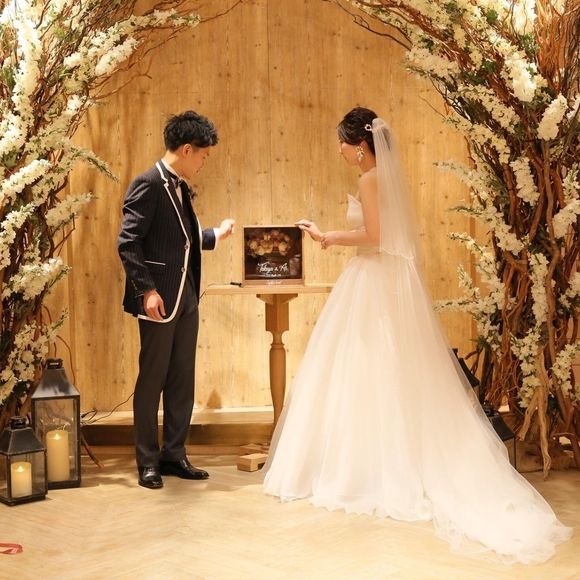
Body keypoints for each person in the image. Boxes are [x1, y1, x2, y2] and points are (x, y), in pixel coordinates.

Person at [263, 107, 572, 563]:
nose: (339, 150)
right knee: (386, 371)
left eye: (342, 142)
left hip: (373, 278)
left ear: (360, 145)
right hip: (383, 278)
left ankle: (366, 470)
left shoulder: (371, 179)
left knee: (366, 369)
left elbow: (376, 235)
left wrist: (327, 236)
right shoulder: (382, 177)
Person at [118, 110, 235, 489]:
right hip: (159, 299)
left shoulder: (179, 185)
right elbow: (128, 242)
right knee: (152, 380)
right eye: (203, 155)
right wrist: (147, 290)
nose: (203, 162)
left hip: (186, 297)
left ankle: (174, 454)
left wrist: (215, 235)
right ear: (187, 149)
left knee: (182, 378)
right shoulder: (148, 184)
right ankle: (147, 461)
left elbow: (180, 241)